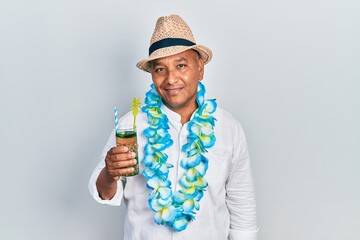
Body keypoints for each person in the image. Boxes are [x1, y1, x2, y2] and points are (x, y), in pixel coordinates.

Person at [89, 14, 259, 240]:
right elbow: (103, 193)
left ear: (200, 68)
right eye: (160, 69)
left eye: (181, 65)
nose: (170, 79)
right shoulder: (130, 124)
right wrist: (110, 174)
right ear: (152, 75)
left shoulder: (229, 128)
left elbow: (243, 210)